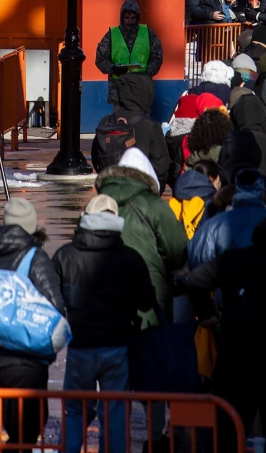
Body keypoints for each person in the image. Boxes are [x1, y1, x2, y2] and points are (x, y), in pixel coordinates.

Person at [186, 215, 266, 451]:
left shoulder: (235, 259)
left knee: (228, 431)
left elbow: (195, 281)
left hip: (236, 357)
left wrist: (208, 313)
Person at [54, 194, 157, 453]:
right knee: (116, 412)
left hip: (80, 344)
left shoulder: (65, 255)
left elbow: (52, 299)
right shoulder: (130, 258)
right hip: (117, 345)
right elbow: (146, 301)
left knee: (76, 409)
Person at [0, 198, 64, 448]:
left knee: (17, 431)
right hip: (28, 360)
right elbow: (55, 308)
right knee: (29, 431)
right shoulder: (35, 258)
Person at [95, 147, 188, 317]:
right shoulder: (155, 206)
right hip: (149, 300)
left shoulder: (98, 205)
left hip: (103, 299)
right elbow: (178, 251)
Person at [111, 72, 170, 191]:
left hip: (112, 188)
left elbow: (98, 156)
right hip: (142, 190)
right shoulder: (151, 126)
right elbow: (161, 163)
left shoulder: (107, 122)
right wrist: (157, 189)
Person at [95, 0, 163, 103]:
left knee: (142, 119)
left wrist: (147, 73)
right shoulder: (112, 35)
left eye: (133, 18)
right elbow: (100, 58)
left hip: (142, 88)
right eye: (127, 18)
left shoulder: (148, 33)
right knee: (120, 118)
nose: (130, 21)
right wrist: (112, 68)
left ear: (138, 18)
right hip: (118, 89)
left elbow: (157, 57)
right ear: (122, 18)